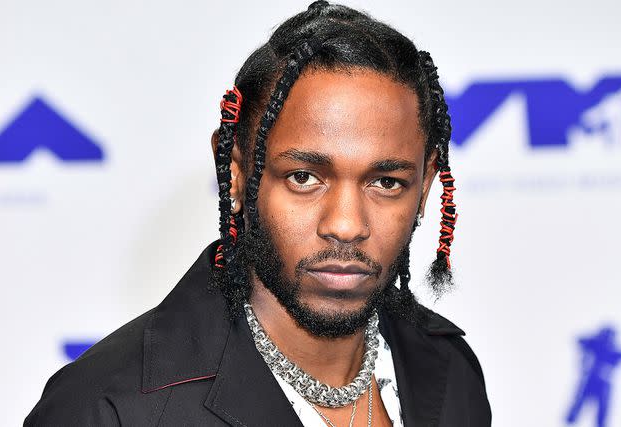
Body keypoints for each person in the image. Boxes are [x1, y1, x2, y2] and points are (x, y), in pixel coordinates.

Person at [25, 2, 491, 426]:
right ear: (236, 175)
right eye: (304, 177)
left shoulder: (447, 370)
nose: (347, 225)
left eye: (386, 183)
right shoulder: (107, 409)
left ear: (425, 187)